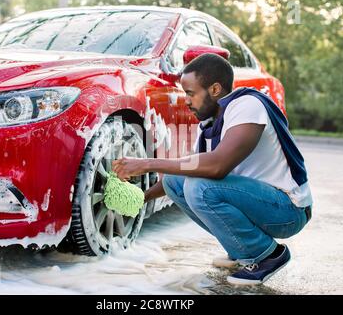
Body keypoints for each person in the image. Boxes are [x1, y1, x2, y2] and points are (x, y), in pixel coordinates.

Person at [112, 53, 313, 285]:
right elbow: (190, 168)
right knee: (175, 182)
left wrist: (147, 163)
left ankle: (267, 256)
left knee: (201, 188)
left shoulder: (247, 105)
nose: (186, 101)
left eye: (190, 93)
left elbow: (217, 166)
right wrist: (140, 199)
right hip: (261, 202)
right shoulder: (210, 123)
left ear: (215, 89)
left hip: (289, 210)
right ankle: (241, 250)